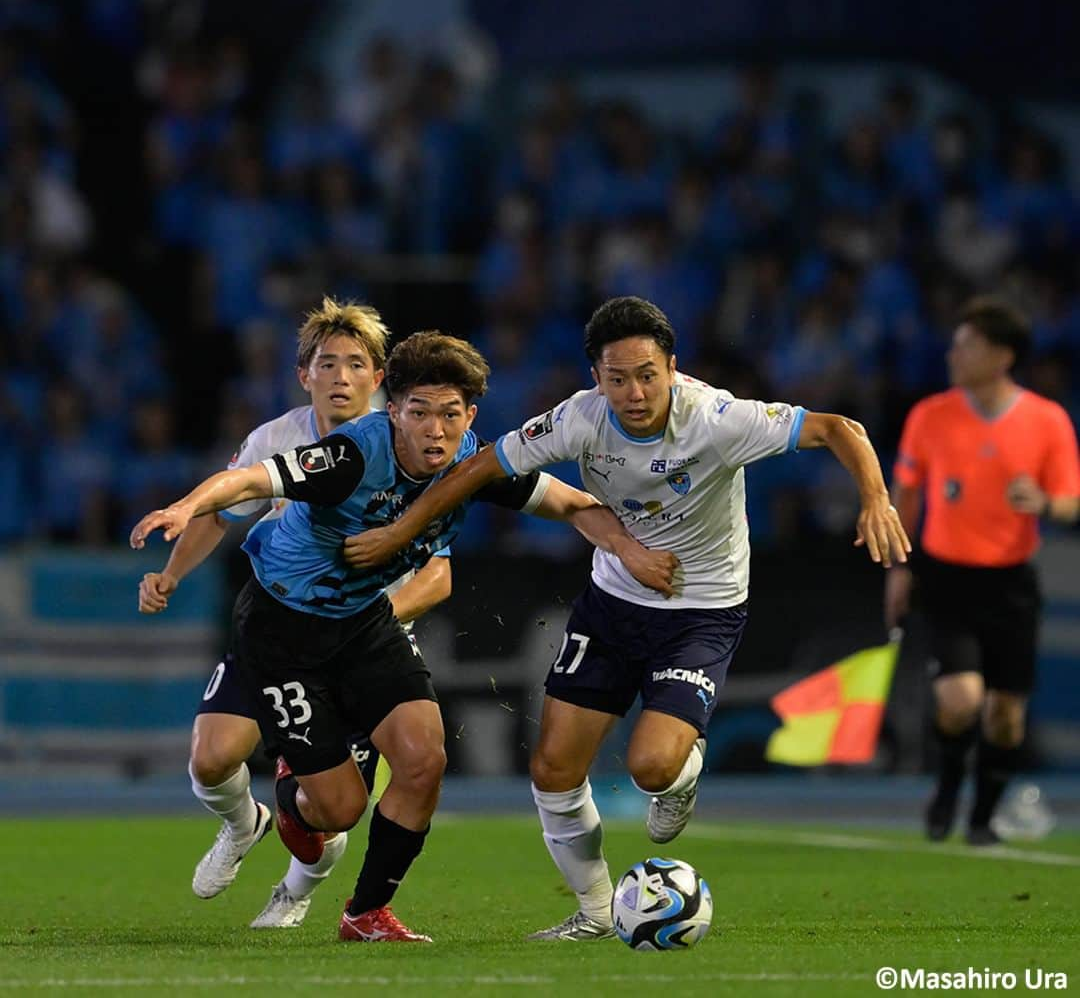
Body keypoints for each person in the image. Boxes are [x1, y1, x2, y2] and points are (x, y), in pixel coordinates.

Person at [342, 295, 910, 940]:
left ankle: (682, 774)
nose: (634, 392)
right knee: (554, 767)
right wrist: (399, 534)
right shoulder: (579, 420)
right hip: (612, 605)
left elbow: (841, 428)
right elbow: (480, 467)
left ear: (673, 368)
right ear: (596, 379)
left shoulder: (720, 419)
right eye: (617, 379)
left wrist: (876, 500)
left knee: (650, 768)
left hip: (702, 610)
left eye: (647, 375)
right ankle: (591, 912)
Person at [131, 329, 674, 942]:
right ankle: (285, 803)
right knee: (337, 810)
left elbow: (572, 504)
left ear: (469, 415)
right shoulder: (351, 456)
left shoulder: (475, 461)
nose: (435, 431)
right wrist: (184, 507)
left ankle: (364, 915)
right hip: (282, 631)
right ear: (393, 411)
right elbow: (253, 481)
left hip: (366, 624)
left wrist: (630, 548)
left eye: (449, 414)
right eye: (419, 413)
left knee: (424, 759)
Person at [136, 295, 454, 928]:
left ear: (379, 376)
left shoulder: (410, 440)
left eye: (355, 364)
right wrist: (170, 574)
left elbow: (439, 573)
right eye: (326, 363)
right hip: (282, 634)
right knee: (211, 757)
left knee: (337, 803)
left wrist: (365, 611)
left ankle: (299, 889)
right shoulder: (276, 439)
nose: (340, 377)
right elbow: (224, 512)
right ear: (302, 374)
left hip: (363, 648)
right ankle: (242, 821)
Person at [885, 296, 1080, 846]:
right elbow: (908, 494)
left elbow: (1070, 500)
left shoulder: (1047, 420)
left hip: (1011, 583)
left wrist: (1042, 502)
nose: (954, 353)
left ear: (1001, 356)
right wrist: (901, 567)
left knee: (1004, 717)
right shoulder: (930, 416)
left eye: (966, 345)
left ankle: (981, 819)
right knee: (961, 700)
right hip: (947, 578)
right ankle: (947, 788)